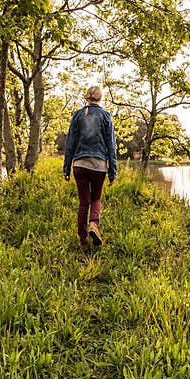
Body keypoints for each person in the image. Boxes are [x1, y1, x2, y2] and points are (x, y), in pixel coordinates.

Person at [63, 85, 118, 253]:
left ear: (86, 97)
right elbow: (111, 145)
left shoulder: (78, 115)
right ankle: (94, 223)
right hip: (98, 165)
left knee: (83, 203)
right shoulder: (106, 115)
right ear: (100, 98)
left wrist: (66, 167)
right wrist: (112, 171)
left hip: (79, 164)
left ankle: (83, 241)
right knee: (96, 199)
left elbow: (70, 143)